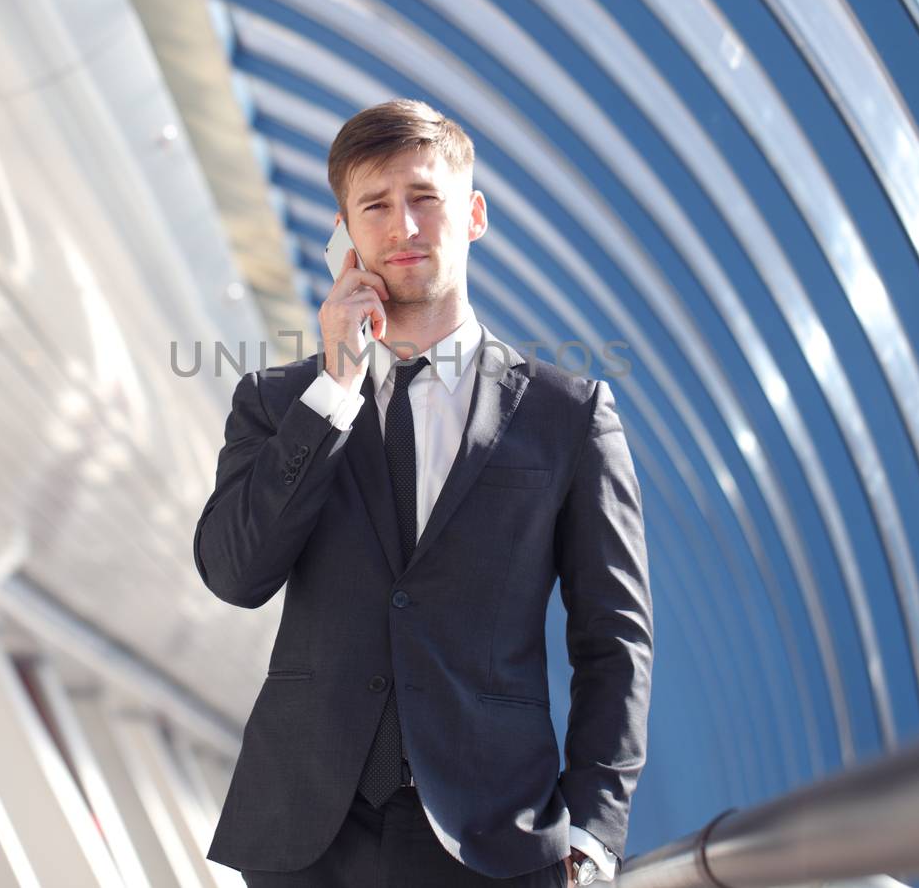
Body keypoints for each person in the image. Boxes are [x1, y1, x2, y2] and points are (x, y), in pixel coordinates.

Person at [193, 99, 652, 886]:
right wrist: (335, 384)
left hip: (493, 838)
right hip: (305, 840)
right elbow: (235, 574)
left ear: (472, 214)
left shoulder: (567, 416)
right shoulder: (277, 404)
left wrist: (596, 826)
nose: (402, 225)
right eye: (375, 205)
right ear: (345, 232)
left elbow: (614, 640)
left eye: (424, 198)